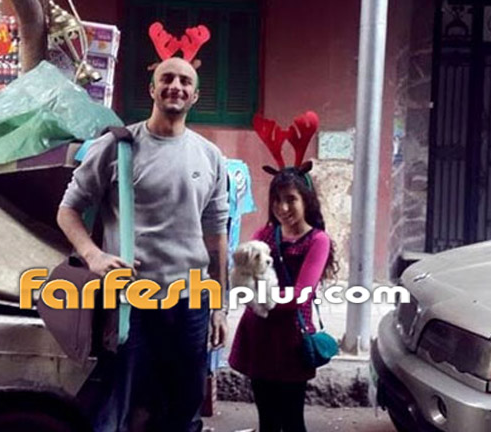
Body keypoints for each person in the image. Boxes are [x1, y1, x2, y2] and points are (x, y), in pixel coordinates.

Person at [56, 57, 229, 432]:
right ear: (152, 89)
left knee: (184, 408)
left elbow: (216, 236)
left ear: (195, 96)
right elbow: (68, 209)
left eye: (185, 81)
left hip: (191, 302)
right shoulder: (117, 146)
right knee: (122, 407)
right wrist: (93, 255)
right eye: (167, 78)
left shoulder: (210, 157)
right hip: (131, 301)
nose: (175, 86)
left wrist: (219, 306)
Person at [229, 165, 337, 432]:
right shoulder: (264, 235)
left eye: (291, 199)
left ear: (306, 200)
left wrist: (261, 300)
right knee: (266, 419)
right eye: (277, 200)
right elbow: (244, 277)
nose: (283, 207)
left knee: (291, 420)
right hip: (259, 335)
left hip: (290, 339)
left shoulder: (317, 241)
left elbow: (301, 294)